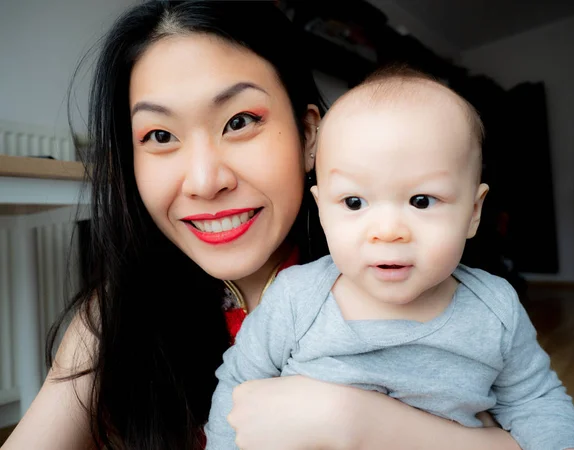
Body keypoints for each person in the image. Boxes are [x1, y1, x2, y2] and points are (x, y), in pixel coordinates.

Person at [2, 2, 523, 450]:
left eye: (239, 121)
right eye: (160, 135)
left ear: (308, 135)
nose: (204, 181)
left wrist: (359, 423)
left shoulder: (424, 286)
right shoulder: (115, 315)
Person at [205, 66, 574, 450]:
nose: (387, 230)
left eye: (421, 201)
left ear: (473, 213)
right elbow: (239, 386)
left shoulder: (495, 310)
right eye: (354, 202)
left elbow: (537, 403)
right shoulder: (295, 298)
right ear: (322, 210)